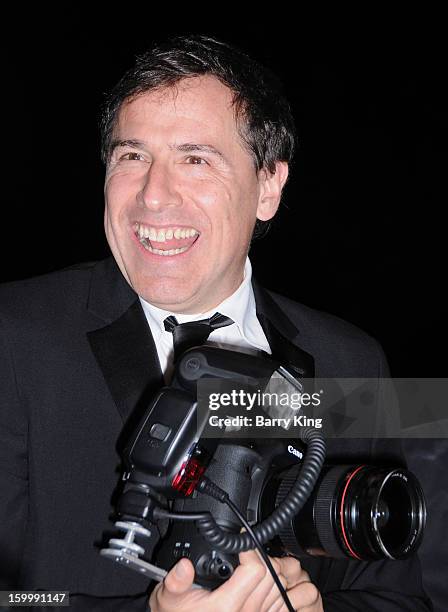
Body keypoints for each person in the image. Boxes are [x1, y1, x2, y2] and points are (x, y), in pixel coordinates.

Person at [0, 35, 431, 611]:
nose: (153, 196)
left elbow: (399, 600)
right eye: (132, 156)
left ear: (269, 186)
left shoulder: (349, 362)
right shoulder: (14, 337)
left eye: (196, 158)